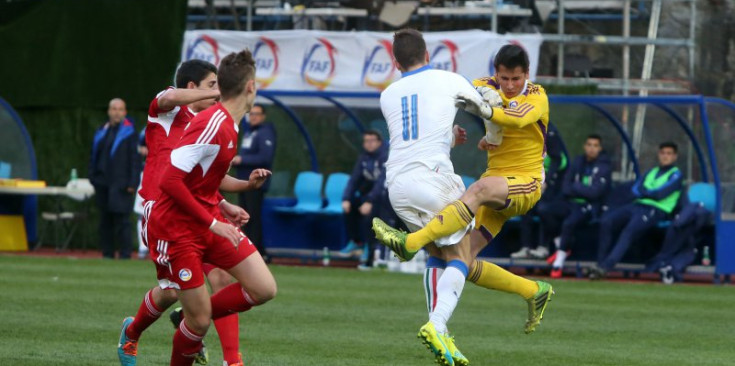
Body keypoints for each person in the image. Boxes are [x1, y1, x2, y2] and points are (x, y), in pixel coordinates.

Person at [373, 37, 553, 366]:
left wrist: (489, 113)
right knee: (461, 261)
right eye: (504, 78)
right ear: (495, 73)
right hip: (497, 181)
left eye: (517, 78)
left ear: (528, 74)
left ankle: (411, 241)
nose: (510, 85)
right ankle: (532, 291)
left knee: (477, 191)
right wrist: (476, 134)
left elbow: (514, 119)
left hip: (526, 183)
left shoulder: (537, 95)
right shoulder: (483, 84)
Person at [118, 59, 270, 366]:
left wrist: (229, 200)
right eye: (211, 85)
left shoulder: (215, 121)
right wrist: (221, 95)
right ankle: (133, 332)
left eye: (219, 85)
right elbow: (170, 98)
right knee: (172, 292)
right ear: (192, 87)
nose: (217, 92)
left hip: (201, 210)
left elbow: (205, 178)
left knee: (222, 278)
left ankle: (227, 355)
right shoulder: (169, 109)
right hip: (162, 210)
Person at [589, 142, 683, 279]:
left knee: (630, 230)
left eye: (669, 154)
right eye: (663, 153)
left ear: (675, 157)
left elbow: (660, 194)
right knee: (607, 221)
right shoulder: (651, 172)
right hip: (637, 205)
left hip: (656, 210)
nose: (665, 156)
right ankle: (600, 263)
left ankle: (606, 267)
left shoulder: (676, 175)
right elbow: (635, 189)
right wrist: (648, 192)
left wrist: (646, 192)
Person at [540, 134, 612, 278]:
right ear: (585, 146)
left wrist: (576, 187)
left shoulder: (604, 167)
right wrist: (581, 188)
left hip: (589, 207)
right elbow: (565, 187)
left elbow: (595, 193)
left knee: (569, 222)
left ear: (600, 148)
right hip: (571, 202)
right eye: (589, 145)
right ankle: (561, 243)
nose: (592, 149)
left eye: (595, 145)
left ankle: (558, 263)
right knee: (544, 210)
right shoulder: (578, 161)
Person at [89, 98, 141, 259]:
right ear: (109, 111)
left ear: (125, 112)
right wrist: (93, 177)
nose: (116, 112)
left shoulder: (130, 133)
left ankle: (125, 254)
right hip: (103, 183)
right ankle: (107, 253)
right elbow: (93, 156)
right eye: (113, 109)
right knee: (105, 221)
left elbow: (135, 159)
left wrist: (133, 182)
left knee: (122, 221)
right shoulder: (101, 131)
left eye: (120, 109)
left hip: (122, 184)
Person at [511, 125, 568, 259]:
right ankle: (526, 247)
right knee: (525, 207)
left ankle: (544, 246)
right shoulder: (524, 126)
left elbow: (558, 159)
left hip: (553, 181)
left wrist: (546, 181)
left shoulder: (549, 130)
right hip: (534, 177)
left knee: (544, 209)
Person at [232, 103, 277, 261]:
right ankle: (249, 250)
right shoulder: (249, 132)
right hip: (243, 181)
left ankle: (257, 252)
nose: (254, 117)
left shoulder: (265, 132)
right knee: (244, 217)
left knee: (252, 217)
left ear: (263, 116)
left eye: (257, 114)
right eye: (251, 114)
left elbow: (265, 157)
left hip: (256, 183)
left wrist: (241, 159)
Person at [338, 130, 388, 263]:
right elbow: (354, 180)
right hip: (369, 195)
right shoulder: (364, 158)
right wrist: (346, 198)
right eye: (366, 141)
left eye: (372, 141)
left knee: (370, 212)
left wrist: (370, 201)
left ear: (379, 142)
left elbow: (382, 182)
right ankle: (356, 242)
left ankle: (369, 247)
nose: (369, 144)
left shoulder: (386, 156)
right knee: (350, 206)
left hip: (385, 197)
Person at [645, 196, 711, 284]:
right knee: (688, 252)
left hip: (679, 228)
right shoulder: (690, 206)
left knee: (686, 251)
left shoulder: (695, 210)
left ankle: (667, 266)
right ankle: (669, 267)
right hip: (679, 229)